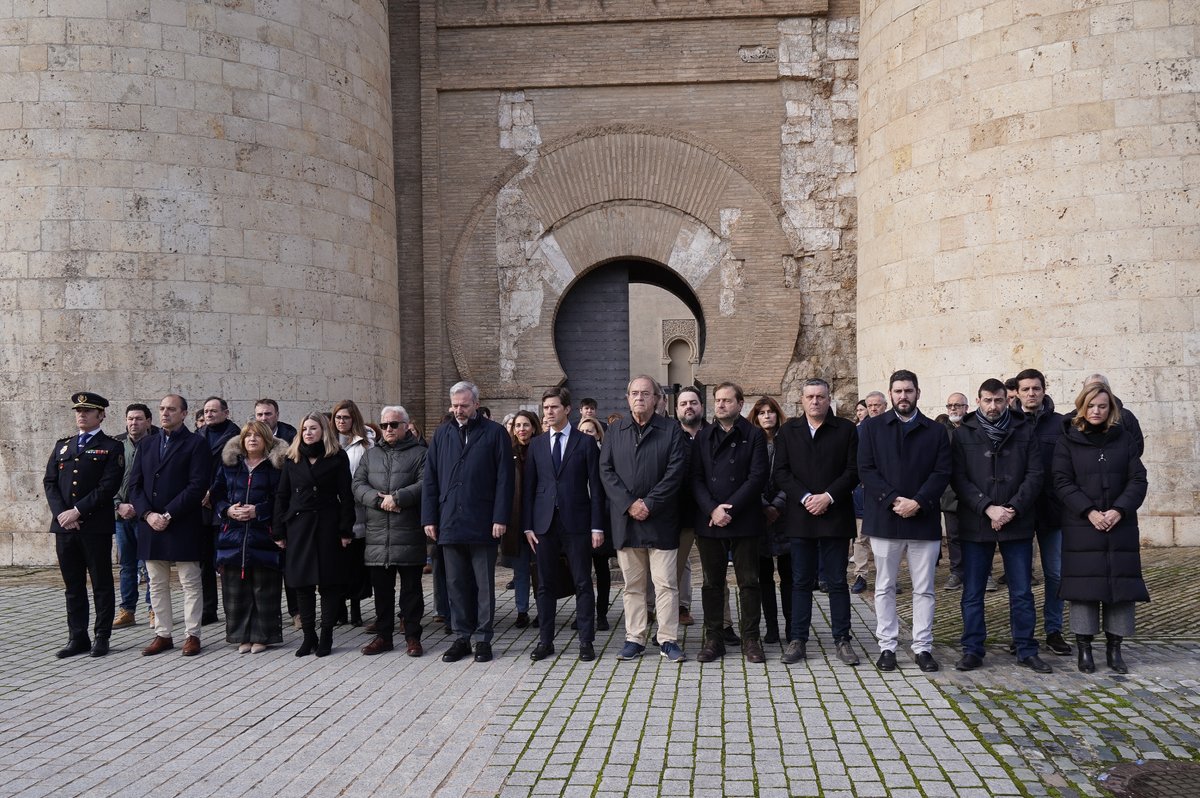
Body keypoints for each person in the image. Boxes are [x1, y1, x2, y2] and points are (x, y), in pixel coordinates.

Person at [950, 379, 1050, 674]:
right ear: (978, 401)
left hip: (1016, 520)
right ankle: (972, 648)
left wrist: (1012, 508)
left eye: (998, 400)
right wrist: (986, 507)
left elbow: (1035, 474)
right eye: (987, 401)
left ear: (1007, 400)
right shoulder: (963, 433)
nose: (992, 406)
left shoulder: (1025, 429)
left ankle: (1025, 648)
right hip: (976, 521)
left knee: (1021, 591)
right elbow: (957, 478)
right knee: (973, 591)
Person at [857, 370, 951, 672]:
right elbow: (866, 469)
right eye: (897, 391)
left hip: (923, 520)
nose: (903, 396)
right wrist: (894, 499)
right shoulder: (872, 428)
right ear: (890, 394)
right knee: (884, 585)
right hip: (886, 518)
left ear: (918, 393)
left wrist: (919, 502)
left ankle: (923, 646)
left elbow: (942, 472)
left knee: (924, 588)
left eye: (908, 391)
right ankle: (887, 646)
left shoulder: (935, 431)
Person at [1053, 383, 1149, 674]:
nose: (1096, 411)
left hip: (1120, 525)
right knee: (1084, 588)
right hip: (1083, 524)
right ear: (1082, 406)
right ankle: (1084, 649)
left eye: (1102, 406)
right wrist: (1090, 511)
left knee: (1119, 585)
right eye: (1091, 405)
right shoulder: (1067, 440)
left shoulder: (1124, 439)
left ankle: (1115, 648)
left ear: (1111, 409)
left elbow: (1138, 479)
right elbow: (1062, 481)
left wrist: (1119, 510)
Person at [422, 381, 514, 664]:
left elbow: (505, 480)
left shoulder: (495, 433)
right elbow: (431, 478)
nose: (459, 410)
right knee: (456, 583)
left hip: (483, 521)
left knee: (483, 584)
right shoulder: (442, 434)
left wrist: (500, 517)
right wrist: (429, 517)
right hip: (449, 520)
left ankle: (483, 637)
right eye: (455, 405)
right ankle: (461, 636)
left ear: (476, 403)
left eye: (464, 405)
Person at [599, 375, 688, 663]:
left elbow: (675, 471)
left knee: (665, 584)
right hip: (627, 521)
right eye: (634, 393)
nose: (640, 398)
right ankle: (634, 638)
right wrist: (629, 504)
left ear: (657, 399)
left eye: (646, 394)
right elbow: (606, 471)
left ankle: (667, 639)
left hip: (660, 519)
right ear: (627, 398)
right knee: (633, 585)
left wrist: (649, 503)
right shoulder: (615, 431)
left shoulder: (671, 430)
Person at [773, 379, 860, 667]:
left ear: (829, 399)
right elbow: (782, 473)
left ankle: (842, 639)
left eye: (820, 397)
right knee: (800, 581)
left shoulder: (846, 430)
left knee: (836, 581)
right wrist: (807, 497)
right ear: (802, 400)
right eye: (810, 397)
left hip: (835, 515)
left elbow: (853, 471)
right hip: (801, 515)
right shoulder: (788, 432)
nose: (815, 402)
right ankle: (798, 640)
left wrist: (829, 496)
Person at [524, 387, 606, 661]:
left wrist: (597, 526)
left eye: (554, 407)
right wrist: (528, 526)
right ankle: (545, 641)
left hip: (577, 523)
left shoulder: (584, 443)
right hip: (544, 525)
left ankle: (586, 641)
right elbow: (529, 489)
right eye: (546, 407)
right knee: (545, 584)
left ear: (567, 409)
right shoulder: (536, 445)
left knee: (583, 582)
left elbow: (596, 486)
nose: (549, 412)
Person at [691, 382, 769, 664]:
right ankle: (714, 638)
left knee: (749, 582)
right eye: (718, 400)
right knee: (712, 583)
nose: (721, 405)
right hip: (710, 521)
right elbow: (696, 478)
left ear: (740, 404)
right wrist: (712, 510)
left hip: (744, 518)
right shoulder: (703, 436)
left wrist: (729, 510)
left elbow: (757, 477)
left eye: (727, 400)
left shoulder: (754, 435)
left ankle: (751, 638)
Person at [130, 394, 213, 656]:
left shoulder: (195, 444)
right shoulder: (147, 444)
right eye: (163, 409)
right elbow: (135, 485)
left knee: (189, 581)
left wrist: (167, 515)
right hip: (151, 524)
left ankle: (192, 634)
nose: (165, 413)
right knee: (156, 582)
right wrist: (147, 515)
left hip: (183, 522)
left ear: (184, 413)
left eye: (172, 409)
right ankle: (162, 634)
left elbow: (197, 485)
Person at [44, 392, 125, 658]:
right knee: (73, 585)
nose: (82, 415)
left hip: (94, 526)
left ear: (101, 415)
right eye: (78, 411)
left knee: (101, 583)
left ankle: (102, 636)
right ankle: (77, 637)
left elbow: (108, 486)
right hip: (65, 527)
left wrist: (78, 511)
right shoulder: (63, 446)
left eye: (88, 411)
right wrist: (62, 515)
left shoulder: (112, 447)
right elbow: (50, 482)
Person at [275, 413, 355, 657]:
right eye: (305, 429)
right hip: (298, 526)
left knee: (329, 583)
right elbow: (282, 496)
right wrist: (278, 530)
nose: (308, 433)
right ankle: (309, 635)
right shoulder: (292, 457)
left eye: (313, 428)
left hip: (327, 525)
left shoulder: (337, 456)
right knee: (302, 583)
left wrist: (345, 529)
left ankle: (327, 635)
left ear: (323, 431)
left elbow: (346, 496)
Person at [355, 405, 428, 657]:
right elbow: (357, 484)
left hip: (407, 532)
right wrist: (378, 499)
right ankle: (383, 636)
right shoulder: (371, 455)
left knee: (411, 591)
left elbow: (425, 482)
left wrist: (398, 498)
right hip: (377, 535)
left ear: (406, 426)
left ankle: (412, 637)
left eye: (393, 425)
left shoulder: (420, 453)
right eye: (384, 425)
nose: (388, 429)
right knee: (382, 592)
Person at [210, 421, 286, 653]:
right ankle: (241, 636)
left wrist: (258, 511)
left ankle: (263, 636)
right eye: (248, 435)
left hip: (263, 534)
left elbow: (281, 499)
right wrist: (227, 510)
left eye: (257, 436)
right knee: (236, 587)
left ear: (266, 440)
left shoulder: (276, 467)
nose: (252, 439)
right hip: (233, 535)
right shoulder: (230, 465)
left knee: (264, 587)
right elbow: (216, 494)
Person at [1013, 367, 1071, 656]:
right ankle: (1021, 634)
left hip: (1053, 510)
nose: (1031, 393)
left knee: (1056, 574)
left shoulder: (1061, 424)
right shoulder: (1008, 423)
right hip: (1020, 510)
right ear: (1018, 392)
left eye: (1036, 388)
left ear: (1044, 390)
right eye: (1026, 389)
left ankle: (1054, 630)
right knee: (1020, 578)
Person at [112, 403, 157, 628]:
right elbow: (108, 480)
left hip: (145, 516)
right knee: (127, 566)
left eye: (139, 419)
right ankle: (127, 611)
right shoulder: (116, 445)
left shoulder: (156, 444)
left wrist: (142, 509)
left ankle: (154, 610)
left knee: (150, 564)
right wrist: (117, 505)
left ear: (148, 421)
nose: (133, 423)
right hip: (121, 516)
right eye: (130, 418)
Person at [750, 395, 790, 645]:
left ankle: (791, 625)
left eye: (771, 412)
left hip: (785, 516)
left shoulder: (788, 441)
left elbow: (794, 474)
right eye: (762, 412)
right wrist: (764, 505)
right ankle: (772, 627)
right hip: (759, 517)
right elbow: (749, 477)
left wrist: (778, 504)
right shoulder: (750, 443)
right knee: (764, 577)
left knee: (789, 576)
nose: (767, 416)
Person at [332, 399, 374, 627]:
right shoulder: (327, 441)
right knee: (336, 562)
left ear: (353, 419)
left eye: (346, 417)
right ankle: (339, 609)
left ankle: (356, 608)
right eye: (338, 417)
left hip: (358, 509)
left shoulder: (366, 443)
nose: (341, 421)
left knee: (355, 562)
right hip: (334, 509)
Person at [200, 396, 240, 625]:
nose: (209, 415)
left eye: (214, 411)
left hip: (224, 504)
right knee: (204, 562)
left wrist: (212, 493)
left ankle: (231, 610)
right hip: (202, 508)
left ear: (226, 412)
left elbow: (231, 471)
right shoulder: (198, 436)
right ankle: (208, 609)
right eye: (206, 411)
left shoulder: (236, 437)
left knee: (226, 561)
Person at [501, 410, 539, 629]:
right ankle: (522, 610)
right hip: (516, 519)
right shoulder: (508, 452)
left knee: (541, 570)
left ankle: (543, 610)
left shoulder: (542, 447)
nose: (522, 429)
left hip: (539, 517)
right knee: (521, 569)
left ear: (533, 427)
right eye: (517, 426)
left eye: (526, 425)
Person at [576, 417, 614, 630]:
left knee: (601, 568)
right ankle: (583, 612)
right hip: (579, 521)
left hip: (601, 519)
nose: (586, 435)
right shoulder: (572, 453)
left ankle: (601, 613)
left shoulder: (604, 457)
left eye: (590, 431)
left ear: (598, 434)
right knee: (580, 570)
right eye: (582, 431)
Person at [849, 390, 888, 594]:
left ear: (885, 406)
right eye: (870, 405)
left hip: (889, 492)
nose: (873, 408)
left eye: (877, 405)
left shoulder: (893, 429)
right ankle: (861, 575)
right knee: (861, 537)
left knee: (887, 538)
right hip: (863, 491)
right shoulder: (857, 431)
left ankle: (888, 576)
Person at [941, 393, 969, 592]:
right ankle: (957, 572)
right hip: (950, 493)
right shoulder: (942, 432)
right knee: (953, 536)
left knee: (978, 535)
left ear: (966, 407)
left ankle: (984, 574)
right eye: (950, 405)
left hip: (974, 493)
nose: (953, 409)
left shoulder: (975, 429)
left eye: (958, 405)